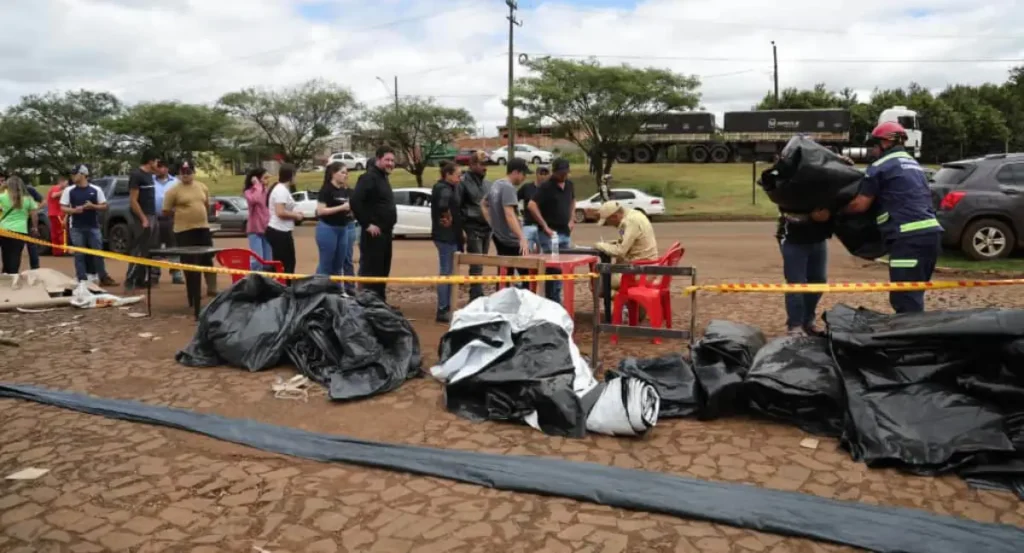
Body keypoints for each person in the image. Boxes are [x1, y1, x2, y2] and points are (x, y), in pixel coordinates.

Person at [845, 121, 941, 313]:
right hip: (932, 236)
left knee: (904, 298)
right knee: (914, 293)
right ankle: (915, 328)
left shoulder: (880, 166)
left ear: (886, 142)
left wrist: (838, 210)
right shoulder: (914, 165)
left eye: (874, 145)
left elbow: (860, 205)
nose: (872, 150)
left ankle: (910, 332)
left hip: (908, 239)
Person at [162, 162, 217, 297]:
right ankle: (193, 292)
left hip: (203, 228)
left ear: (193, 173)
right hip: (184, 230)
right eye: (183, 172)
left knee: (207, 259)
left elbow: (206, 204)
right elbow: (166, 211)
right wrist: (181, 213)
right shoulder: (173, 190)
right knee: (189, 261)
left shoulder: (202, 187)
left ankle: (212, 288)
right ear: (179, 174)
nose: (186, 175)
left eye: (188, 172)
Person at [351, 146, 398, 302]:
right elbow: (355, 202)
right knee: (372, 272)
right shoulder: (368, 178)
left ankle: (380, 303)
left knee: (383, 271)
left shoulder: (383, 178)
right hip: (373, 235)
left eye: (392, 160)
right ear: (378, 159)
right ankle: (370, 305)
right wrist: (367, 224)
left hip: (386, 233)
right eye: (387, 160)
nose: (390, 163)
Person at [776, 205, 832, 336]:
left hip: (818, 239)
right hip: (793, 240)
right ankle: (795, 325)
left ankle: (807, 321)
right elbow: (786, 208)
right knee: (796, 284)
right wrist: (810, 216)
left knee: (819, 281)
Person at [527, 157, 576, 302]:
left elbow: (573, 200)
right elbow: (531, 205)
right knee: (553, 267)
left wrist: (572, 219)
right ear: (554, 172)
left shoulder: (569, 185)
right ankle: (552, 299)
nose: (564, 175)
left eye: (566, 173)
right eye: (561, 173)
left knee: (563, 266)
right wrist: (544, 226)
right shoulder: (546, 186)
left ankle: (557, 298)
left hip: (565, 232)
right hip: (549, 234)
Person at [60, 165, 117, 285]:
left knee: (98, 252)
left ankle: (103, 276)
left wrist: (93, 206)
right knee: (79, 254)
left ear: (83, 174)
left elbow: (105, 206)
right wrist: (74, 210)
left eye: (75, 174)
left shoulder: (96, 189)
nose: (72, 176)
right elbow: (63, 207)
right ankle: (82, 277)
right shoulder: (69, 190)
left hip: (93, 226)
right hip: (76, 227)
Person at [594, 200, 659, 291]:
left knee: (598, 283)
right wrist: (615, 242)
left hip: (640, 271)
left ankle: (622, 298)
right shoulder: (635, 214)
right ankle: (623, 297)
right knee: (605, 279)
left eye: (607, 222)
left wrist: (599, 245)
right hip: (647, 266)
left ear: (614, 217)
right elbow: (631, 241)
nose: (608, 225)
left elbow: (620, 251)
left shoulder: (630, 222)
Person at [315, 162, 357, 294]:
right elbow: (320, 211)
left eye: (346, 173)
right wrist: (342, 207)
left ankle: (337, 293)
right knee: (326, 263)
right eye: (342, 172)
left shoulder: (344, 190)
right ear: (334, 174)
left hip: (343, 228)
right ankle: (319, 292)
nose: (345, 175)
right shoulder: (326, 190)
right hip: (328, 228)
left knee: (339, 264)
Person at [430, 161, 464, 323]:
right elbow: (443, 204)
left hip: (448, 235)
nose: (460, 178)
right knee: (447, 272)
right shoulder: (444, 189)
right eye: (458, 175)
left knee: (450, 271)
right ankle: (443, 308)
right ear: (448, 175)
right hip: (446, 236)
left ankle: (447, 306)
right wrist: (447, 217)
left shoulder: (446, 187)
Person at [124, 150, 161, 291]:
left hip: (152, 214)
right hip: (142, 216)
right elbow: (133, 201)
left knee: (148, 249)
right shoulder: (137, 175)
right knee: (138, 249)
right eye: (156, 161)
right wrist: (143, 218)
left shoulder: (150, 176)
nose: (157, 164)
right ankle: (130, 280)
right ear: (150, 161)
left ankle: (140, 279)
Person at [482, 158, 532, 259]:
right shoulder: (508, 187)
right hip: (510, 240)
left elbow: (483, 203)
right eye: (523, 174)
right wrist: (522, 238)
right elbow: (509, 214)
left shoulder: (496, 184)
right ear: (515, 172)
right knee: (525, 266)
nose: (525, 177)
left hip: (499, 237)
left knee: (504, 266)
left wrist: (492, 224)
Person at [459, 150, 491, 301]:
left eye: (486, 164)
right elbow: (457, 207)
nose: (485, 167)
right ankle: (476, 295)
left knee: (482, 262)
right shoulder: (463, 182)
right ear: (471, 164)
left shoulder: (487, 183)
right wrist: (461, 229)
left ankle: (476, 293)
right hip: (472, 228)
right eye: (481, 164)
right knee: (476, 264)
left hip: (487, 228)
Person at [265, 164, 303, 276]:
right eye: (295, 175)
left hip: (282, 230)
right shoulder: (281, 190)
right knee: (285, 264)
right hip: (279, 231)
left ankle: (283, 283)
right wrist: (296, 216)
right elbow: (280, 212)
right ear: (291, 176)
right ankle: (282, 285)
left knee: (287, 262)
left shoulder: (282, 189)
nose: (296, 178)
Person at [152, 160, 184, 285]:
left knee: (173, 247)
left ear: (167, 168)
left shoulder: (176, 182)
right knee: (155, 247)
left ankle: (176, 274)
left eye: (163, 166)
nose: (161, 169)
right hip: (155, 218)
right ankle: (154, 274)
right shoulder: (150, 181)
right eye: (158, 167)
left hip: (172, 218)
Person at [0, 176, 40, 274]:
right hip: (20, 230)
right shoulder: (28, 199)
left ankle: (5, 272)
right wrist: (35, 227)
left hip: (4, 229)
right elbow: (34, 215)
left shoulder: (2, 197)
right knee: (16, 255)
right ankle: (13, 273)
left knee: (5, 253)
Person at [243, 168, 273, 270]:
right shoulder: (249, 192)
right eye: (265, 178)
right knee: (257, 260)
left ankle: (266, 279)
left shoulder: (267, 192)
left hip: (267, 229)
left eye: (268, 178)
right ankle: (255, 278)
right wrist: (257, 185)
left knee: (268, 261)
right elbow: (254, 200)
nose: (268, 180)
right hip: (255, 230)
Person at [518, 164, 547, 253]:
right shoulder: (527, 187)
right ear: (536, 174)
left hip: (543, 228)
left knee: (544, 254)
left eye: (546, 174)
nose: (543, 176)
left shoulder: (549, 189)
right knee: (525, 252)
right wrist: (517, 216)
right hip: (528, 225)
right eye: (541, 173)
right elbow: (514, 200)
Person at [47, 174, 69, 257]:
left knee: (55, 233)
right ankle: (63, 250)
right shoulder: (57, 188)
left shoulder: (54, 188)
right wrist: (66, 190)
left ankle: (56, 251)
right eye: (66, 183)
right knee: (62, 232)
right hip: (58, 214)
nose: (67, 185)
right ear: (61, 182)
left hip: (53, 214)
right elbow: (54, 195)